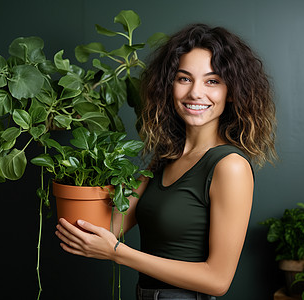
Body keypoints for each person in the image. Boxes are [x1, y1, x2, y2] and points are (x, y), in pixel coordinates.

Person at [55, 23, 277, 299]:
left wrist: (118, 253)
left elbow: (218, 280)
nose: (195, 92)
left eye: (212, 81)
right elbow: (108, 228)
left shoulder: (229, 166)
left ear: (231, 92)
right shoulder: (164, 159)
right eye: (184, 78)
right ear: (169, 85)